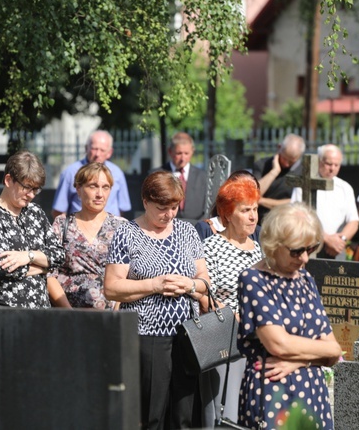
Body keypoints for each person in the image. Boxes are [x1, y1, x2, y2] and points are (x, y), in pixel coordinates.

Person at [104, 170, 209, 428]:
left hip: (187, 334)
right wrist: (154, 284)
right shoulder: (126, 233)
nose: (169, 214)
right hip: (147, 333)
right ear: (146, 201)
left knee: (184, 414)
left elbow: (205, 281)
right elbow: (111, 287)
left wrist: (190, 284)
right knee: (151, 413)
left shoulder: (187, 231)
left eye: (174, 207)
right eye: (162, 207)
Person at [237, 203, 341, 429]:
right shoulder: (253, 279)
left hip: (313, 391)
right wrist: (318, 352)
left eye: (311, 249)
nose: (305, 259)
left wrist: (300, 361)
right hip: (275, 393)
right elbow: (279, 344)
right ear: (274, 245)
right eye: (296, 251)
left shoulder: (304, 279)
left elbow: (334, 350)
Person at [199, 177, 263, 427]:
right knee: (224, 409)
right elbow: (205, 295)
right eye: (245, 210)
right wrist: (229, 317)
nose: (252, 216)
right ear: (227, 213)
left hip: (256, 339)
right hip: (225, 340)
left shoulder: (258, 249)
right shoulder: (212, 246)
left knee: (250, 406)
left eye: (255, 209)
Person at [0, 151, 64, 308]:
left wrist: (28, 256)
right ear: (8, 180)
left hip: (40, 308)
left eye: (35, 189)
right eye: (27, 187)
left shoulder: (35, 212)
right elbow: (3, 267)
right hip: (4, 307)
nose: (31, 195)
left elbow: (59, 255)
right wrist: (43, 267)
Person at [47, 162, 126, 309]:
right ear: (78, 188)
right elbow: (49, 274)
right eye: (93, 186)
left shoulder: (121, 227)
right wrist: (69, 313)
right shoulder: (62, 224)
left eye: (105, 187)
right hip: (68, 315)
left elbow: (129, 275)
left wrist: (117, 312)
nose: (100, 194)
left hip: (110, 318)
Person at [290, 144, 359, 260]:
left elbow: (354, 221)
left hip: (336, 249)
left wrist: (340, 241)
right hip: (308, 246)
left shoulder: (345, 187)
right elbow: (296, 217)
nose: (332, 168)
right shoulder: (303, 184)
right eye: (329, 164)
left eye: (336, 165)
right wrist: (326, 239)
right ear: (319, 161)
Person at [52, 130, 131, 217]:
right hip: (79, 226)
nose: (97, 154)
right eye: (94, 149)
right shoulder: (71, 172)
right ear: (86, 148)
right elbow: (58, 211)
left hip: (111, 228)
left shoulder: (117, 173)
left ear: (109, 153)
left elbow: (122, 209)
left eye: (102, 150)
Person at [194, 170, 262, 242]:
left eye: (253, 189)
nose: (253, 217)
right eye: (242, 188)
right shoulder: (205, 229)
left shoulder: (258, 233)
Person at [253, 134, 305, 222]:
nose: (286, 164)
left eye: (291, 161)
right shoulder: (262, 165)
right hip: (260, 222)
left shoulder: (303, 172)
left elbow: (296, 202)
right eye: (284, 158)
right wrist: (274, 172)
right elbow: (254, 194)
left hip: (287, 222)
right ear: (279, 147)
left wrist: (262, 201)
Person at [157, 132, 207, 221]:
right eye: (179, 153)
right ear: (170, 152)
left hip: (196, 227)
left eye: (186, 153)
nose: (183, 158)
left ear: (192, 152)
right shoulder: (158, 175)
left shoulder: (203, 177)